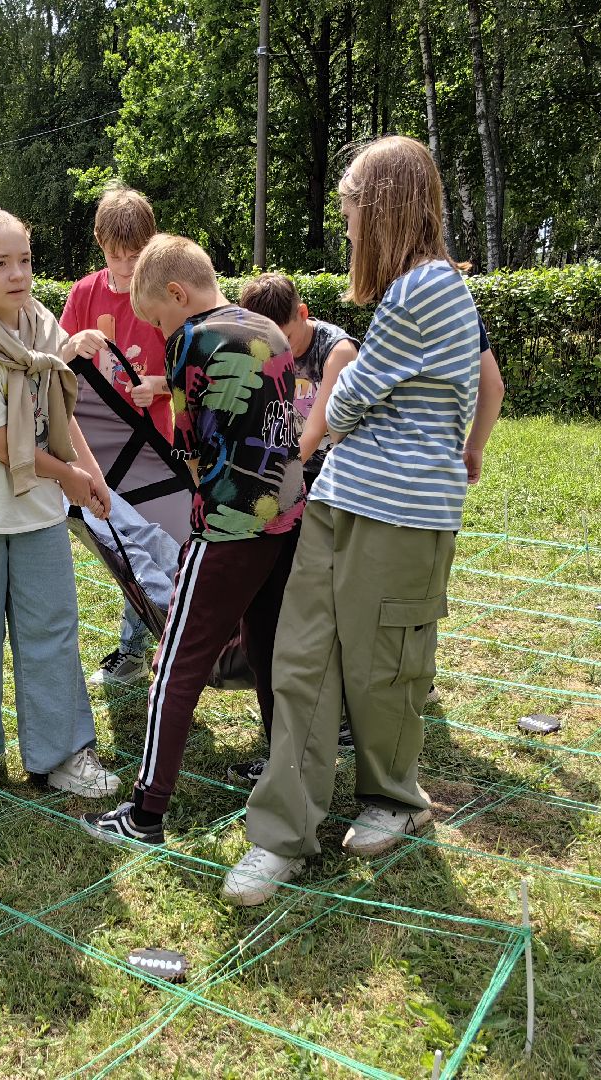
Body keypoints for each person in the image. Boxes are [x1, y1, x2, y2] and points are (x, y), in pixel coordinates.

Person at [224, 135, 507, 906]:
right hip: (343, 498)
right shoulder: (411, 293)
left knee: (385, 666)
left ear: (381, 208)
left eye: (351, 207)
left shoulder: (428, 290)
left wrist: (342, 396)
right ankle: (282, 834)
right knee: (303, 660)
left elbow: (343, 400)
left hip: (402, 512)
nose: (346, 224)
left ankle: (394, 798)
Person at [79, 235, 305, 847]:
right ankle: (282, 766)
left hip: (228, 525)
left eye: (157, 318)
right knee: (270, 653)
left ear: (178, 294)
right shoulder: (270, 329)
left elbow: (192, 446)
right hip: (286, 520)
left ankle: (145, 813)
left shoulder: (191, 342)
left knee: (174, 666)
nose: (160, 331)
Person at [0, 207, 121, 797]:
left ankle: (62, 756)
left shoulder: (39, 321)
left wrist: (90, 473)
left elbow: (59, 410)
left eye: (25, 261)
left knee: (53, 631)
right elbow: (3, 447)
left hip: (38, 514)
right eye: (0, 263)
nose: (17, 274)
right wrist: (71, 478)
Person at [231, 271, 360, 785]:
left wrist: (268, 480)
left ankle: (341, 714)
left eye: (283, 336)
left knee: (329, 608)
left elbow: (313, 433)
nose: (276, 350)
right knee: (281, 611)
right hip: (284, 492)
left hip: (331, 493)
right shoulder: (257, 347)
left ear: (303, 314)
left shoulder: (337, 351)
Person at [58, 183, 172, 687]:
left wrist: (160, 385)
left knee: (150, 542)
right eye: (116, 256)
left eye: (136, 256)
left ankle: (143, 644)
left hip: (152, 446)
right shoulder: (84, 293)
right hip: (95, 447)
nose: (125, 267)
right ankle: (139, 645)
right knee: (114, 541)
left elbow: (199, 368)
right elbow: (52, 364)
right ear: (100, 245)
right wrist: (71, 344)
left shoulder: (168, 291)